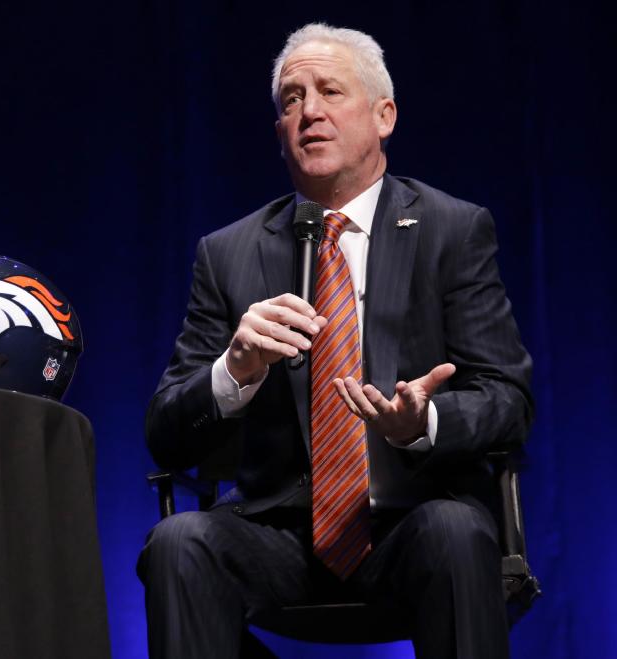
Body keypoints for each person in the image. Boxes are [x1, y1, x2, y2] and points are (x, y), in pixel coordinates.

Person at [138, 22, 533, 659]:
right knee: (180, 543)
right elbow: (166, 431)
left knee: (459, 529)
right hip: (278, 531)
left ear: (384, 116)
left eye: (329, 91)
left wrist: (423, 422)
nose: (309, 112)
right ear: (279, 134)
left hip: (415, 518)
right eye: (291, 100)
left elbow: (508, 399)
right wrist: (234, 371)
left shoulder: (452, 230)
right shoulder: (228, 252)